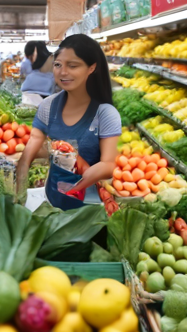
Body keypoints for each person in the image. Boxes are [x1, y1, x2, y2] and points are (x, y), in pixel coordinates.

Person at [17, 34, 121, 210]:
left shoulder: (106, 113)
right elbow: (29, 153)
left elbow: (109, 165)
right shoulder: (48, 106)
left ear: (91, 68)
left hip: (90, 207)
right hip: (51, 202)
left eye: (72, 66)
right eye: (58, 65)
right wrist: (19, 193)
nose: (63, 72)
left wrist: (81, 178)